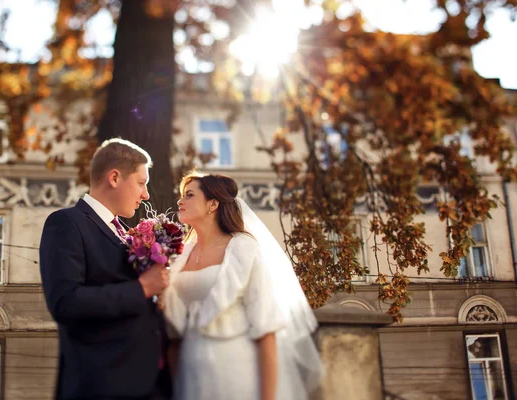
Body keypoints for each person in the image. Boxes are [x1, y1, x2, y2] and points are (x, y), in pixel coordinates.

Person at [164, 173, 322, 400]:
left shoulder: (243, 250)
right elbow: (174, 339)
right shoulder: (178, 256)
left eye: (189, 195)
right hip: (191, 378)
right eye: (181, 196)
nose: (180, 201)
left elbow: (266, 332)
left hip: (237, 374)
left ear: (213, 204)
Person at [39, 138, 171, 400]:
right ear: (114, 177)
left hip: (148, 385)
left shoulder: (126, 233)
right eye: (141, 183)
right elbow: (66, 303)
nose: (145, 194)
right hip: (102, 385)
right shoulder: (67, 223)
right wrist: (143, 287)